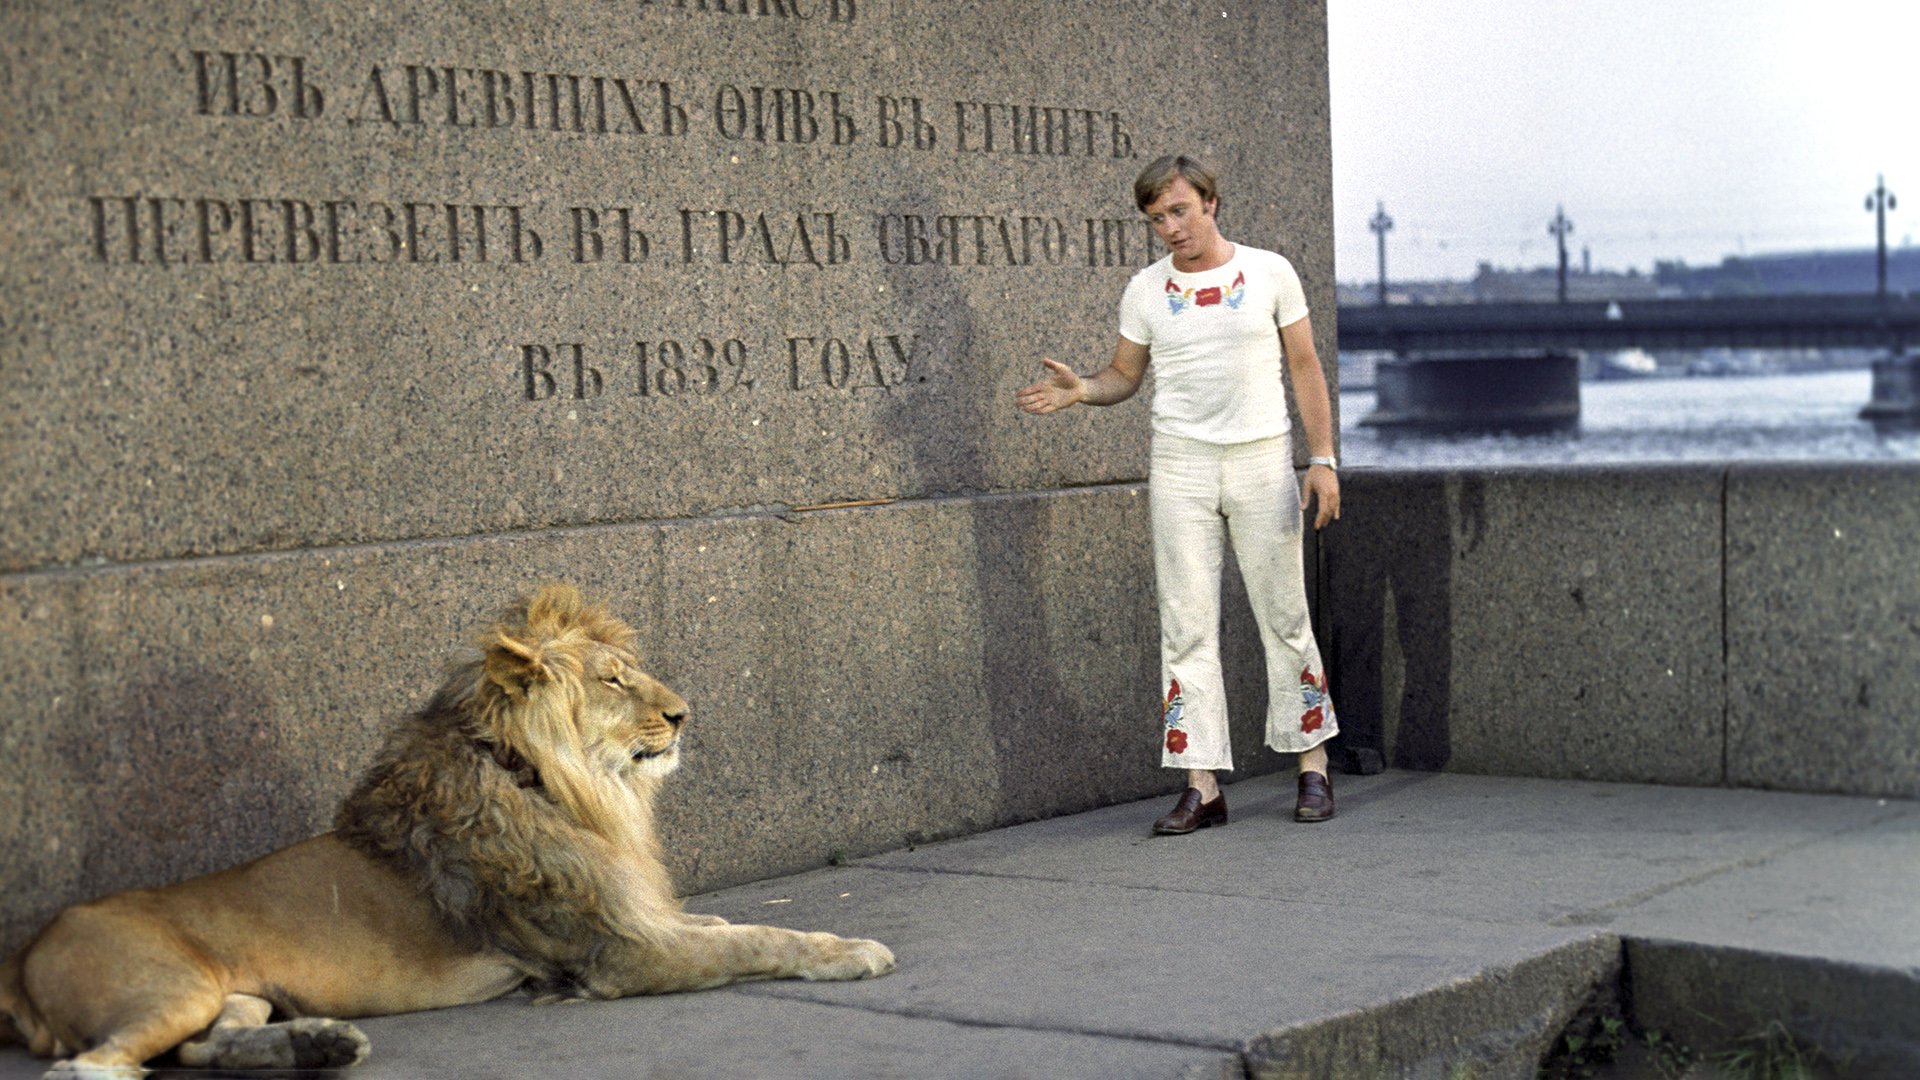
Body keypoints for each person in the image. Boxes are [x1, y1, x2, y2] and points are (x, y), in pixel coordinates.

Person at [1015, 154, 1342, 835]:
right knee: (1186, 623)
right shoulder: (1145, 290)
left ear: (1211, 203)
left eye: (1180, 211)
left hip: (1260, 458)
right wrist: (1084, 390)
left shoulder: (1269, 272)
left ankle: (1313, 764)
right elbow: (1123, 376)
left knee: (1284, 614)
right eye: (1157, 218)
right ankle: (1202, 783)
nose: (1171, 227)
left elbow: (1305, 366)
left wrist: (1323, 460)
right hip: (1181, 466)